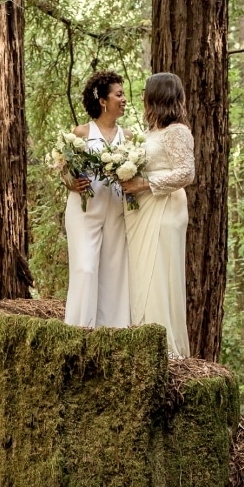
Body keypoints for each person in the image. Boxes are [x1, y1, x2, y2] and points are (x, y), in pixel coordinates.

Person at [121, 72, 194, 358]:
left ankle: (165, 348)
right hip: (143, 210)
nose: (140, 97)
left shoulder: (177, 131)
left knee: (158, 273)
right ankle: (142, 338)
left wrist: (145, 184)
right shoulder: (151, 133)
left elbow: (187, 173)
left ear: (157, 96)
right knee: (142, 274)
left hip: (165, 209)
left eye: (145, 92)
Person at [63, 70, 130, 328]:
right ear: (103, 100)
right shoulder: (81, 133)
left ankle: (112, 332)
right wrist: (72, 184)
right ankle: (80, 329)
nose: (124, 99)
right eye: (119, 94)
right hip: (85, 209)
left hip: (115, 208)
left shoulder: (129, 137)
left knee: (114, 270)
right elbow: (64, 170)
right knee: (85, 267)